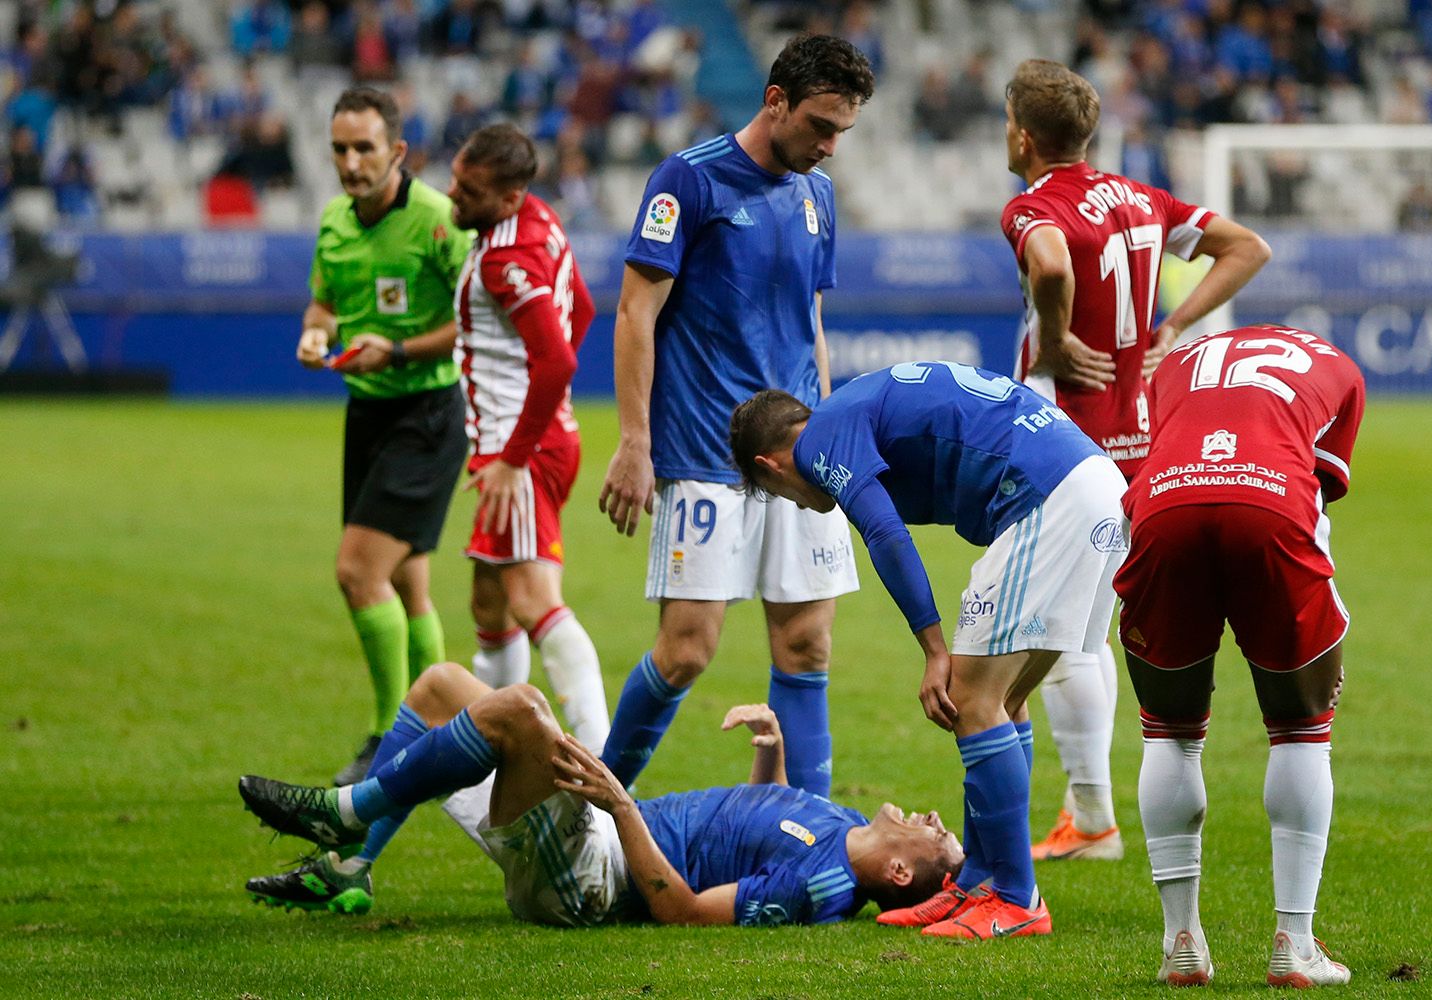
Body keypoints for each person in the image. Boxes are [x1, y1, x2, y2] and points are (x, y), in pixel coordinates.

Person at [727, 360, 1127, 941]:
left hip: (1049, 494)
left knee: (971, 697)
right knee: (1003, 699)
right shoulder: (850, 409)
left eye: (778, 496)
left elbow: (884, 533)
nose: (797, 503)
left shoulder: (818, 443)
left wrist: (933, 648)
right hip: (1093, 484)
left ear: (769, 466)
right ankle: (980, 881)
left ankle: (1015, 898)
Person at [999, 58, 1272, 862]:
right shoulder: (1140, 199)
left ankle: (1092, 819)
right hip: (1138, 439)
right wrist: (1174, 326)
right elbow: (1247, 247)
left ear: (1023, 135)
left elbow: (1052, 262)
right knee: (1087, 630)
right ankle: (1088, 815)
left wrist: (1054, 339)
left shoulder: (1033, 206)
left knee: (1062, 637)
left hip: (1065, 441)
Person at [594, 34, 875, 799]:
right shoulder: (688, 180)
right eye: (820, 125)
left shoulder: (819, 197)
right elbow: (635, 313)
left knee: (807, 645)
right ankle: (596, 809)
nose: (830, 146)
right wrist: (634, 441)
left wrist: (828, 436)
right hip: (703, 450)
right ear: (775, 100)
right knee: (687, 649)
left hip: (799, 458)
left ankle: (810, 831)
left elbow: (810, 323)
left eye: (842, 131)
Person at [237, 663, 964, 925]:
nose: (935, 818)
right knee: (442, 687)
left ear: (900, 873)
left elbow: (684, 912)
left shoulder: (819, 889)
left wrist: (619, 805)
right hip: (594, 834)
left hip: (592, 879)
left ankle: (342, 815)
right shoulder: (841, 824)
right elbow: (754, 835)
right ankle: (351, 866)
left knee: (522, 709)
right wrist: (770, 757)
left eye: (939, 837)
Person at [1114, 324, 1363, 987]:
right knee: (1301, 727)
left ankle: (1181, 942)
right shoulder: (1340, 367)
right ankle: (1295, 943)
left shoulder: (1176, 362)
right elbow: (1317, 493)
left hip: (1164, 505)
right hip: (1270, 503)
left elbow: (1161, 448)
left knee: (1168, 730)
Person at [297, 87, 471, 786]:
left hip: (428, 413)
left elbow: (477, 318)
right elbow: (324, 301)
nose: (350, 162)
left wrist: (396, 351)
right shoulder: (333, 221)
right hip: (366, 414)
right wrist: (316, 333)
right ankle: (445, 734)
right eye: (339, 149)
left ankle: (386, 738)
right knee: (405, 583)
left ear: (397, 151)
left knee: (357, 572)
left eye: (363, 148)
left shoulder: (438, 220)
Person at [444, 122, 611, 754]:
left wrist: (515, 457)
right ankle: (490, 752)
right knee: (489, 603)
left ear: (509, 196)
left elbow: (558, 360)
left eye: (470, 192)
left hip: (522, 451)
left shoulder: (502, 259)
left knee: (533, 601)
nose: (453, 196)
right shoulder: (540, 218)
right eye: (456, 181)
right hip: (540, 438)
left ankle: (604, 769)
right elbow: (582, 310)